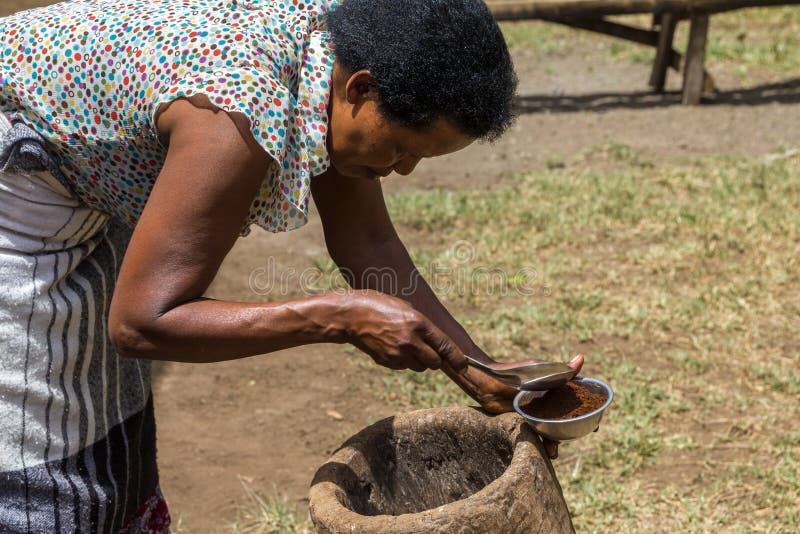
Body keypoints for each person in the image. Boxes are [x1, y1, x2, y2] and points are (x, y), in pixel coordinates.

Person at [0, 0, 583, 531]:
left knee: (102, 404)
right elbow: (141, 322)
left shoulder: (334, 59)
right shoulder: (235, 114)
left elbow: (369, 244)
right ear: (361, 88)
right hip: (17, 174)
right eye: (402, 147)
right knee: (42, 439)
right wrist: (336, 317)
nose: (403, 171)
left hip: (77, 179)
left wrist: (483, 373)